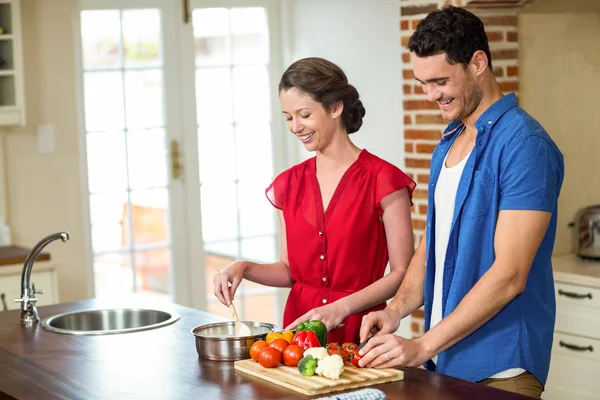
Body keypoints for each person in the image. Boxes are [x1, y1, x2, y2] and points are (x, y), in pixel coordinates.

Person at [357, 6, 564, 399]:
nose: (431, 95)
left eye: (440, 81)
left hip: (501, 368)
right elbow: (432, 246)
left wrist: (421, 347)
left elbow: (510, 274)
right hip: (447, 360)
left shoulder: (525, 145)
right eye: (422, 83)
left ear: (478, 63)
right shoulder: (449, 142)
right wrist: (396, 309)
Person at [213, 57, 416, 344]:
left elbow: (402, 273)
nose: (295, 127)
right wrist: (242, 268)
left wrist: (342, 308)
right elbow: (289, 271)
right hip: (299, 336)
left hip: (360, 330)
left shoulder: (383, 179)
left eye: (304, 114)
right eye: (288, 117)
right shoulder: (288, 184)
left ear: (335, 108)